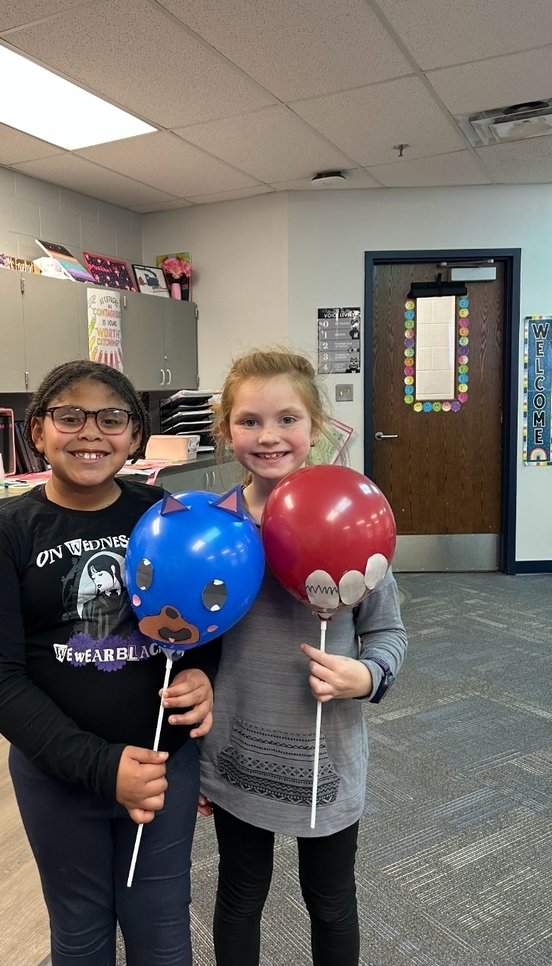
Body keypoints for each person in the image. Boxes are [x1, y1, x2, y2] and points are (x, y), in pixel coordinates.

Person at [0, 359, 217, 966]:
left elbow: (205, 616)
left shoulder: (163, 514)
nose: (91, 432)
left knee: (162, 932)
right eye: (69, 416)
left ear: (136, 434)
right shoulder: (6, 535)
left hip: (161, 766)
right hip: (59, 777)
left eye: (111, 417)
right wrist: (101, 768)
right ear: (38, 432)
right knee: (79, 934)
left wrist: (208, 672)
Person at [198, 347, 407, 966]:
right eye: (249, 421)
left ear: (316, 427)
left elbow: (388, 632)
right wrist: (191, 754)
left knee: (331, 900)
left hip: (326, 755)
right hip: (238, 750)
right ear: (225, 428)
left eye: (287, 419)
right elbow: (190, 650)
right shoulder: (214, 528)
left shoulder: (352, 519)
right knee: (238, 896)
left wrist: (366, 675)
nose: (269, 437)